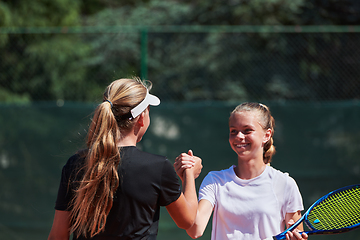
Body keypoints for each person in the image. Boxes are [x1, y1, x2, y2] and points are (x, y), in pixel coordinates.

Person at [47, 77, 202, 240]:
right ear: (142, 118)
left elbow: (58, 235)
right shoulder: (158, 166)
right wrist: (189, 175)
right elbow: (187, 220)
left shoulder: (75, 163)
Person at [174, 102, 308, 240]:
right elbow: (195, 230)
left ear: (266, 135)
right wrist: (188, 176)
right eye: (233, 131)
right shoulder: (215, 181)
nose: (239, 136)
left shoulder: (285, 184)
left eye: (247, 130)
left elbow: (298, 235)